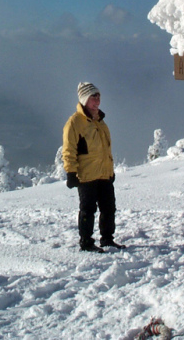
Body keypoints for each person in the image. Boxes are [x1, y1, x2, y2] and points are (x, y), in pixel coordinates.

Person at [62, 82, 124, 253]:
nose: (97, 100)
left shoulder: (99, 121)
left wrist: (110, 171)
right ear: (84, 100)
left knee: (108, 208)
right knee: (88, 209)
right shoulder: (75, 122)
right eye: (92, 97)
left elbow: (105, 149)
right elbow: (69, 149)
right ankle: (86, 242)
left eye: (98, 96)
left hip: (103, 174)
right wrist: (71, 172)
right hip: (87, 175)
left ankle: (107, 239)